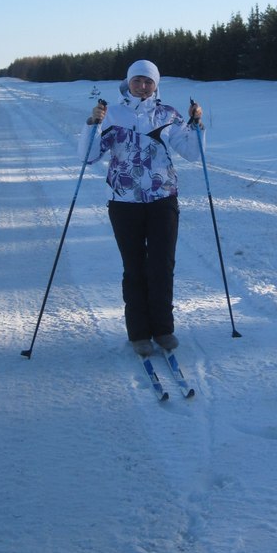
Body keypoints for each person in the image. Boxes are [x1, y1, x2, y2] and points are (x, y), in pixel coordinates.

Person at [79, 59, 204, 357]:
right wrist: (91, 125)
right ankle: (138, 334)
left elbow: (192, 154)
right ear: (129, 82)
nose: (143, 86)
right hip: (124, 203)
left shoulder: (168, 114)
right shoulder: (113, 115)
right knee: (134, 268)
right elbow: (89, 156)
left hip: (163, 199)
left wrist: (197, 126)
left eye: (148, 81)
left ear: (156, 84)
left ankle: (162, 329)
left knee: (162, 266)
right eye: (138, 80)